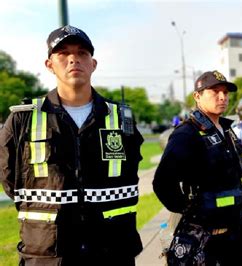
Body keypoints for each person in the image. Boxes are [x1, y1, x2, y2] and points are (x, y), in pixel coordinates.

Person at [0, 25, 143, 265]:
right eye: (63, 53)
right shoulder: (23, 118)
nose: (73, 59)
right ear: (49, 64)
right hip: (48, 253)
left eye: (82, 53)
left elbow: (131, 172)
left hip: (112, 249)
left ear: (93, 63)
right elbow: (8, 178)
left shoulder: (121, 118)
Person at [153, 71, 242, 265]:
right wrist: (188, 210)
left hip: (234, 235)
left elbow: (234, 177)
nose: (222, 97)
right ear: (197, 96)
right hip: (205, 242)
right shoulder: (186, 134)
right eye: (215, 91)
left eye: (226, 93)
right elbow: (163, 182)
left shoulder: (227, 130)